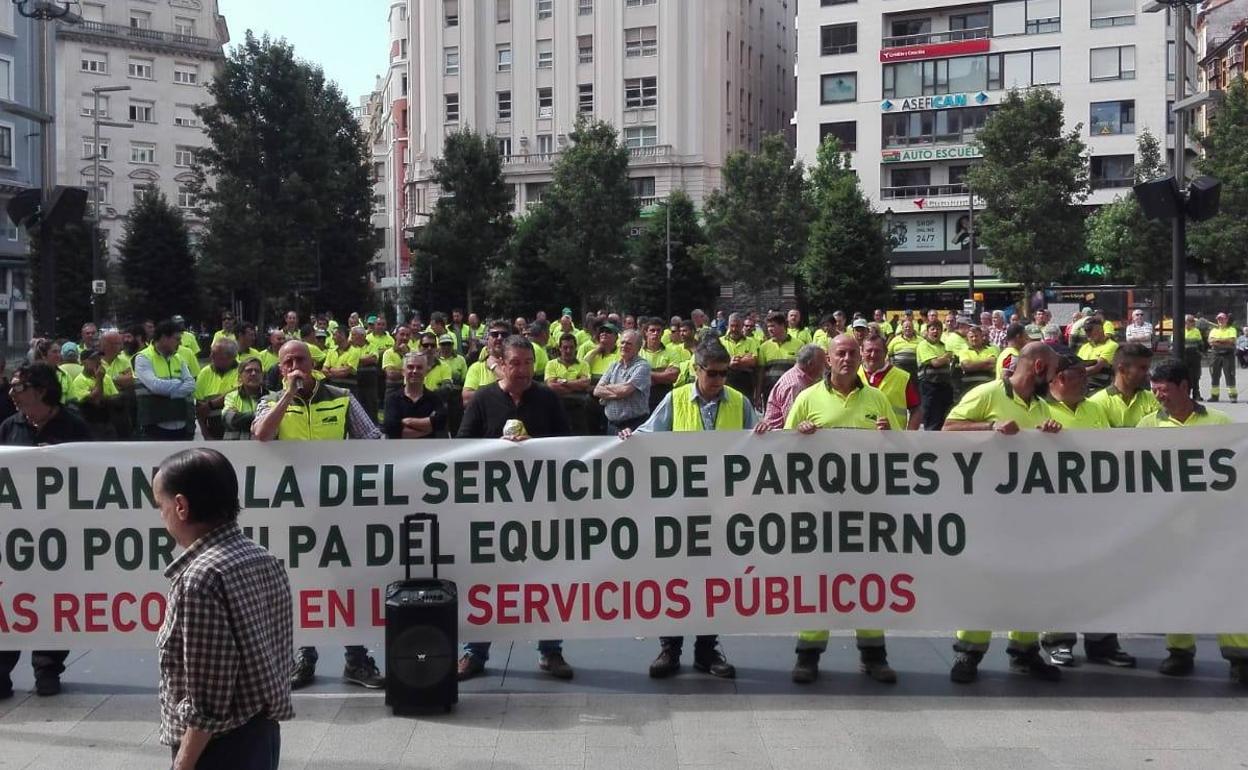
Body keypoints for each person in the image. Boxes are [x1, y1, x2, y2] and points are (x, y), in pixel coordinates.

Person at [623, 338, 763, 680]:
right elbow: (648, 435)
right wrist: (629, 439)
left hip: (722, 510)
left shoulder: (740, 403)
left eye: (724, 374)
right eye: (712, 373)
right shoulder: (675, 399)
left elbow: (759, 439)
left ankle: (706, 649)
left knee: (714, 580)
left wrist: (765, 432)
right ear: (696, 370)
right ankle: (670, 647)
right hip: (681, 509)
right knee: (676, 579)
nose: (718, 380)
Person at [253, 341, 385, 690]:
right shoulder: (269, 402)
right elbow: (261, 435)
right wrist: (287, 396)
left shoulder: (341, 396)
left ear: (313, 364)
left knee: (345, 582)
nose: (295, 366)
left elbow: (371, 436)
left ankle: (356, 659)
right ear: (280, 369)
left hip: (338, 508)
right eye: (287, 362)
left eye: (300, 360)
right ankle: (303, 657)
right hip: (292, 512)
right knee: (297, 584)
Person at [155, 448, 292, 770]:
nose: (162, 516)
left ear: (180, 506)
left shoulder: (201, 580)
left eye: (160, 506)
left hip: (218, 750)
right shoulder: (261, 558)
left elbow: (209, 701)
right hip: (261, 734)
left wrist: (183, 764)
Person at [942, 342, 1064, 683]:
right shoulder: (988, 393)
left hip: (1028, 513)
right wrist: (989, 428)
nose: (1055, 379)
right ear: (1039, 367)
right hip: (987, 508)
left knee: (1030, 580)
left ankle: (1024, 651)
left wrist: (1050, 436)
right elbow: (947, 430)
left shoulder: (1041, 407)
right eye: (1053, 371)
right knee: (984, 580)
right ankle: (968, 652)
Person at [456, 335, 574, 681]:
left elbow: (568, 444)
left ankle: (550, 651)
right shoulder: (484, 399)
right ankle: (475, 653)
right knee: (487, 581)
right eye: (515, 363)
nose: (522, 370)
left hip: (539, 507)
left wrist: (535, 447)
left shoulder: (547, 398)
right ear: (501, 364)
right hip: (493, 509)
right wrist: (498, 448)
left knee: (545, 580)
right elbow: (462, 446)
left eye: (528, 363)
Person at [786, 335, 901, 684]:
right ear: (828, 360)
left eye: (853, 353)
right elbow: (782, 448)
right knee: (818, 581)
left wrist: (887, 435)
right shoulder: (807, 399)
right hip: (820, 509)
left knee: (869, 581)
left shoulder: (878, 399)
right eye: (841, 353)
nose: (848, 358)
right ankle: (808, 655)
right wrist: (800, 435)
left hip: (866, 509)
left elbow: (901, 449)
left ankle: (873, 654)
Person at [1137, 359, 1248, 684]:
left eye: (1164, 389)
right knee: (1176, 586)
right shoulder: (1147, 425)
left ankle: (1240, 657)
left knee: (1228, 587)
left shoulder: (1220, 421)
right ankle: (1179, 650)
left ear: (1185, 387)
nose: (1158, 395)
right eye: (1154, 389)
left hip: (1216, 522)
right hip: (1171, 525)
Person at [1038, 354, 1137, 668]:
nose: (1085, 380)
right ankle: (1058, 640)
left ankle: (1102, 642)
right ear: (1058, 378)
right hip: (1053, 513)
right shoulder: (1039, 410)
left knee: (1100, 577)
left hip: (1094, 511)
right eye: (1079, 374)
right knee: (1058, 578)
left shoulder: (1094, 408)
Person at [0, 363, 91, 698]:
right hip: (16, 538)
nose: (11, 393)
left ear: (40, 390)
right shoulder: (9, 428)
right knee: (10, 598)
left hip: (60, 535)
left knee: (55, 600)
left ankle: (47, 668)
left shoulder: (74, 428)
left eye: (18, 387)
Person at [134, 320, 197, 440]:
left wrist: (168, 392)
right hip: (154, 425)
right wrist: (179, 384)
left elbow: (191, 385)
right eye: (177, 339)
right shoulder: (143, 357)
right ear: (163, 337)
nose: (180, 343)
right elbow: (155, 386)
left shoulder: (178, 358)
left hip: (181, 423)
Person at [1088, 344, 1160, 429]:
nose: (1148, 373)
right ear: (1122, 369)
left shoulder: (1153, 399)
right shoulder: (1096, 403)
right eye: (1143, 368)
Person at [593, 329, 651, 434]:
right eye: (622, 342)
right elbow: (596, 391)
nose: (624, 346)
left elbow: (624, 391)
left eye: (629, 343)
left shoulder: (643, 367)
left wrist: (608, 389)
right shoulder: (613, 366)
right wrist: (618, 393)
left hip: (633, 425)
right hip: (611, 425)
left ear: (638, 348)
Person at [861, 333, 921, 431]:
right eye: (869, 351)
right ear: (861, 352)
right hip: (859, 439)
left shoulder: (902, 377)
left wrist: (910, 436)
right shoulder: (854, 375)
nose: (873, 355)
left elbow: (916, 410)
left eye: (877, 351)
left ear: (885, 352)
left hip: (894, 440)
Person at [760, 343, 825, 431]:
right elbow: (793, 421)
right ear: (811, 364)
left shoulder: (801, 378)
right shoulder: (795, 385)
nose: (825, 366)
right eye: (822, 362)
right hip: (779, 437)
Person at [383, 351, 448, 439]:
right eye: (410, 367)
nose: (414, 371)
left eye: (419, 367)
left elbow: (441, 422)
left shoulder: (435, 398)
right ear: (403, 371)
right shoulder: (392, 399)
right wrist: (429, 427)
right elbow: (391, 429)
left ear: (426, 372)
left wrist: (408, 422)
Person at [69, 349, 121, 440]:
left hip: (108, 421)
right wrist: (99, 380)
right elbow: (95, 401)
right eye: (93, 359)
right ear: (84, 362)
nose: (98, 361)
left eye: (99, 359)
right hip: (91, 423)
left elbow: (116, 397)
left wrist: (103, 397)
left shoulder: (106, 378)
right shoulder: (79, 381)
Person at [194, 339, 240, 441]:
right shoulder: (205, 373)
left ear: (231, 357)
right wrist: (206, 435)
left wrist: (211, 404)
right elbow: (199, 409)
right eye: (211, 353)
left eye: (215, 355)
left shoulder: (243, 371)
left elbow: (239, 391)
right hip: (212, 433)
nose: (211, 357)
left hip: (238, 432)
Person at [757, 311, 803, 408]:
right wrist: (757, 395)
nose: (769, 329)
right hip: (770, 393)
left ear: (783, 325)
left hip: (792, 393)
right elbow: (760, 373)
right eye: (768, 326)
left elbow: (803, 371)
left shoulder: (799, 345)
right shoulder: (764, 347)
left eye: (772, 326)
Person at [463, 319, 512, 406]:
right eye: (495, 334)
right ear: (487, 339)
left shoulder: (516, 365)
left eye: (504, 335)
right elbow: (466, 399)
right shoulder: (476, 368)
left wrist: (494, 367)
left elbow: (517, 389)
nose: (499, 337)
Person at [916, 320, 954, 431]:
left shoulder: (944, 346)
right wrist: (947, 356)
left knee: (945, 417)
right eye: (932, 329)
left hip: (945, 386)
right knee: (932, 419)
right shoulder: (923, 345)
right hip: (930, 386)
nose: (935, 331)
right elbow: (935, 363)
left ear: (942, 331)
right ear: (927, 331)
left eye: (938, 329)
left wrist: (944, 358)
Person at [221, 356, 267, 440]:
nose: (253, 373)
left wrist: (241, 417)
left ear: (262, 375)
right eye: (249, 371)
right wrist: (264, 417)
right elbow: (229, 419)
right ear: (240, 377)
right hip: (235, 447)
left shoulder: (273, 396)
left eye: (257, 371)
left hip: (264, 448)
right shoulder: (231, 396)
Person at [955, 324, 997, 400]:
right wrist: (985, 363)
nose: (974, 339)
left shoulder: (992, 349)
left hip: (988, 389)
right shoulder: (963, 351)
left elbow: (992, 364)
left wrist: (973, 364)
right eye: (971, 337)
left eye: (976, 336)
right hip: (969, 389)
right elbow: (966, 366)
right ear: (967, 339)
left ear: (981, 337)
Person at [1077, 321, 1119, 392]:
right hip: (1083, 384)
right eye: (1085, 330)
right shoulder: (1084, 347)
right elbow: (1076, 365)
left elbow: (1096, 368)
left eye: (1089, 330)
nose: (1087, 333)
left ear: (1100, 330)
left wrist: (1075, 373)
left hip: (1099, 386)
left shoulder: (1111, 345)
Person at [1208, 312, 1237, 402]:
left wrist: (1218, 341)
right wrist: (1225, 341)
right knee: (1214, 375)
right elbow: (1211, 342)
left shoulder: (1231, 329)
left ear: (1226, 320)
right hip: (1216, 355)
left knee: (1230, 375)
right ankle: (1214, 396)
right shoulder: (1213, 330)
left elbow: (1231, 341)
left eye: (1222, 319)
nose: (1220, 321)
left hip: (1228, 355)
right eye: (1219, 319)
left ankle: (1232, 396)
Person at [1180, 314, 1204, 400]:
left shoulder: (1196, 331)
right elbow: (1174, 344)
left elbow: (1201, 344)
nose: (1190, 323)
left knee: (1196, 376)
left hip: (1194, 356)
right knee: (1185, 376)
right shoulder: (1180, 330)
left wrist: (1201, 352)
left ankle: (1196, 394)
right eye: (1188, 321)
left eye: (1192, 321)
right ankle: (1186, 394)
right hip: (1184, 355)